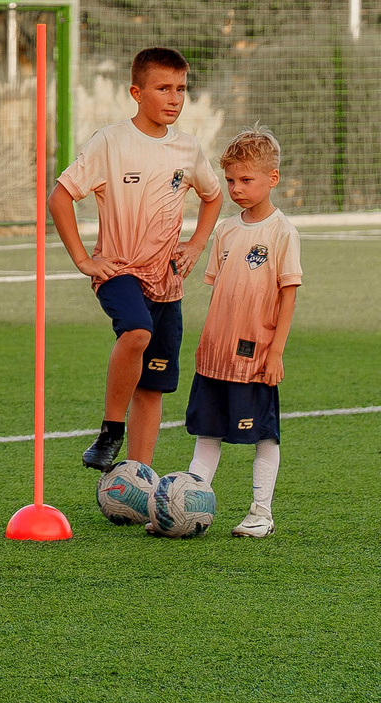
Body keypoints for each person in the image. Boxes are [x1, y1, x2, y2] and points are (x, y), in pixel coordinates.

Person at [48, 45, 224, 474]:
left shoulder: (188, 149)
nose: (174, 98)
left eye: (181, 88)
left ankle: (137, 479)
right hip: (118, 269)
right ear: (136, 92)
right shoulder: (111, 141)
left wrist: (196, 245)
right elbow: (60, 197)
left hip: (167, 279)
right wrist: (83, 260)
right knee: (137, 332)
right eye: (163, 88)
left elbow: (213, 195)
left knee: (153, 387)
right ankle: (110, 431)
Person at [183, 128, 299, 536]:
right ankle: (188, 509)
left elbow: (288, 295)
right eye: (231, 180)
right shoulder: (226, 230)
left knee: (263, 435)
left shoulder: (282, 232)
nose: (236, 188)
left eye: (246, 180)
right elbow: (221, 293)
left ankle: (261, 513)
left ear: (273, 178)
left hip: (254, 354)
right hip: (214, 353)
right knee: (206, 433)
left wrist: (276, 352)